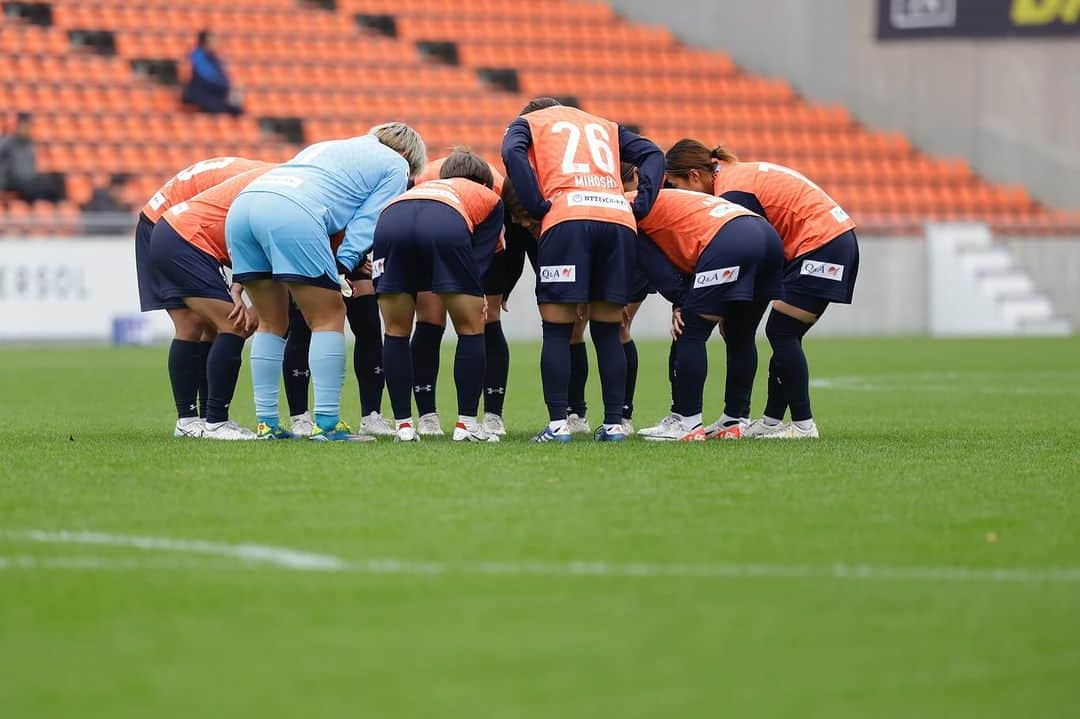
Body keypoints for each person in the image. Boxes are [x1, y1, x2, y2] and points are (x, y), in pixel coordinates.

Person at [225, 123, 425, 441]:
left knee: (270, 321)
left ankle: (266, 424)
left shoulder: (331, 144)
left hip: (244, 206)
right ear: (405, 154)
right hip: (291, 212)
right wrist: (344, 263)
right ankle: (327, 425)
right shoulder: (395, 164)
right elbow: (369, 220)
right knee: (329, 315)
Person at [663, 139, 860, 439]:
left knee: (782, 331)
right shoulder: (731, 176)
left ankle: (804, 426)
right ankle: (769, 421)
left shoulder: (732, 193)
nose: (679, 196)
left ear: (694, 175)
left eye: (677, 186)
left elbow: (744, 248)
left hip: (822, 244)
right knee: (776, 330)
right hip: (825, 241)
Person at [501, 97, 664, 442]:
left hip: (568, 218)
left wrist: (536, 204)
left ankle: (560, 424)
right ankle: (614, 425)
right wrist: (643, 203)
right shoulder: (604, 125)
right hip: (618, 219)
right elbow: (654, 153)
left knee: (558, 330)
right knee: (608, 330)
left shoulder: (530, 124)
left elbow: (511, 153)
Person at [372, 149, 505, 442]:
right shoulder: (489, 195)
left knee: (395, 332)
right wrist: (475, 291)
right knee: (471, 328)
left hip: (390, 219)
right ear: (482, 182)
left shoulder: (421, 185)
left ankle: (404, 428)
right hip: (445, 223)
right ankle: (467, 425)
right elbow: (481, 257)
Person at [632, 188, 783, 441]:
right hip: (767, 236)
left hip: (728, 240)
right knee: (740, 334)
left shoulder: (623, 212)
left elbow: (654, 265)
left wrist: (681, 301)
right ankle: (735, 420)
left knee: (689, 329)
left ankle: (687, 422)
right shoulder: (648, 198)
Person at [136, 156, 268, 435]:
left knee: (212, 324)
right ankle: (192, 419)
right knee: (196, 323)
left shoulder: (263, 176)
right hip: (170, 227)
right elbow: (242, 236)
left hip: (180, 225)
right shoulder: (264, 187)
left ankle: (205, 418)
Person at [404, 152, 516, 438]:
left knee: (486, 317)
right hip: (434, 234)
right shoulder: (422, 181)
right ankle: (427, 415)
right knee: (429, 318)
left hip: (484, 244)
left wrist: (499, 289)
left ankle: (492, 414)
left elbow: (510, 246)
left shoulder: (498, 190)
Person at [564, 162, 650, 436]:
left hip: (630, 264)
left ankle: (623, 415)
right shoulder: (602, 197)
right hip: (595, 255)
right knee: (576, 329)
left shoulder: (640, 201)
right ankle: (576, 412)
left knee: (618, 329)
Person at [281, 257, 394, 438]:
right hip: (311, 255)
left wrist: (354, 255)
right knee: (301, 328)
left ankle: (371, 416)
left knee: (369, 327)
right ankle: (300, 417)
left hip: (351, 258)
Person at [0, 113, 64, 203]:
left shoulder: (29, 143)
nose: (28, 130)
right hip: (13, 180)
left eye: (30, 127)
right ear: (19, 127)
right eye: (25, 127)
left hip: (29, 179)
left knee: (57, 178)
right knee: (35, 188)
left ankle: (62, 207)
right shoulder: (8, 142)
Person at [182, 30, 242, 116]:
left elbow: (223, 76)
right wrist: (227, 85)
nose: (217, 43)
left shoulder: (215, 58)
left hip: (214, 94)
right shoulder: (197, 55)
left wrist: (230, 86)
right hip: (200, 94)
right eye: (213, 40)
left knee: (237, 110)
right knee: (222, 111)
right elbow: (208, 76)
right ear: (205, 41)